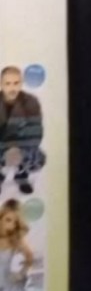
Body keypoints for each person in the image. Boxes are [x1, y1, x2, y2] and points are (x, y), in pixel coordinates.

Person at [0, 67, 45, 195]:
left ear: (21, 83)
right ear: (1, 84)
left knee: (35, 156)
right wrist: (7, 148)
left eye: (16, 83)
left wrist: (16, 148)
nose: (12, 88)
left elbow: (35, 132)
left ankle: (21, 175)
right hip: (1, 145)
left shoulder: (31, 102)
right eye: (8, 83)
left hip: (23, 145)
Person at [0, 199, 36, 291]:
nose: (11, 226)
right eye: (8, 220)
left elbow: (30, 258)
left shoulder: (15, 241)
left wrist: (21, 274)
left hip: (9, 288)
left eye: (14, 222)